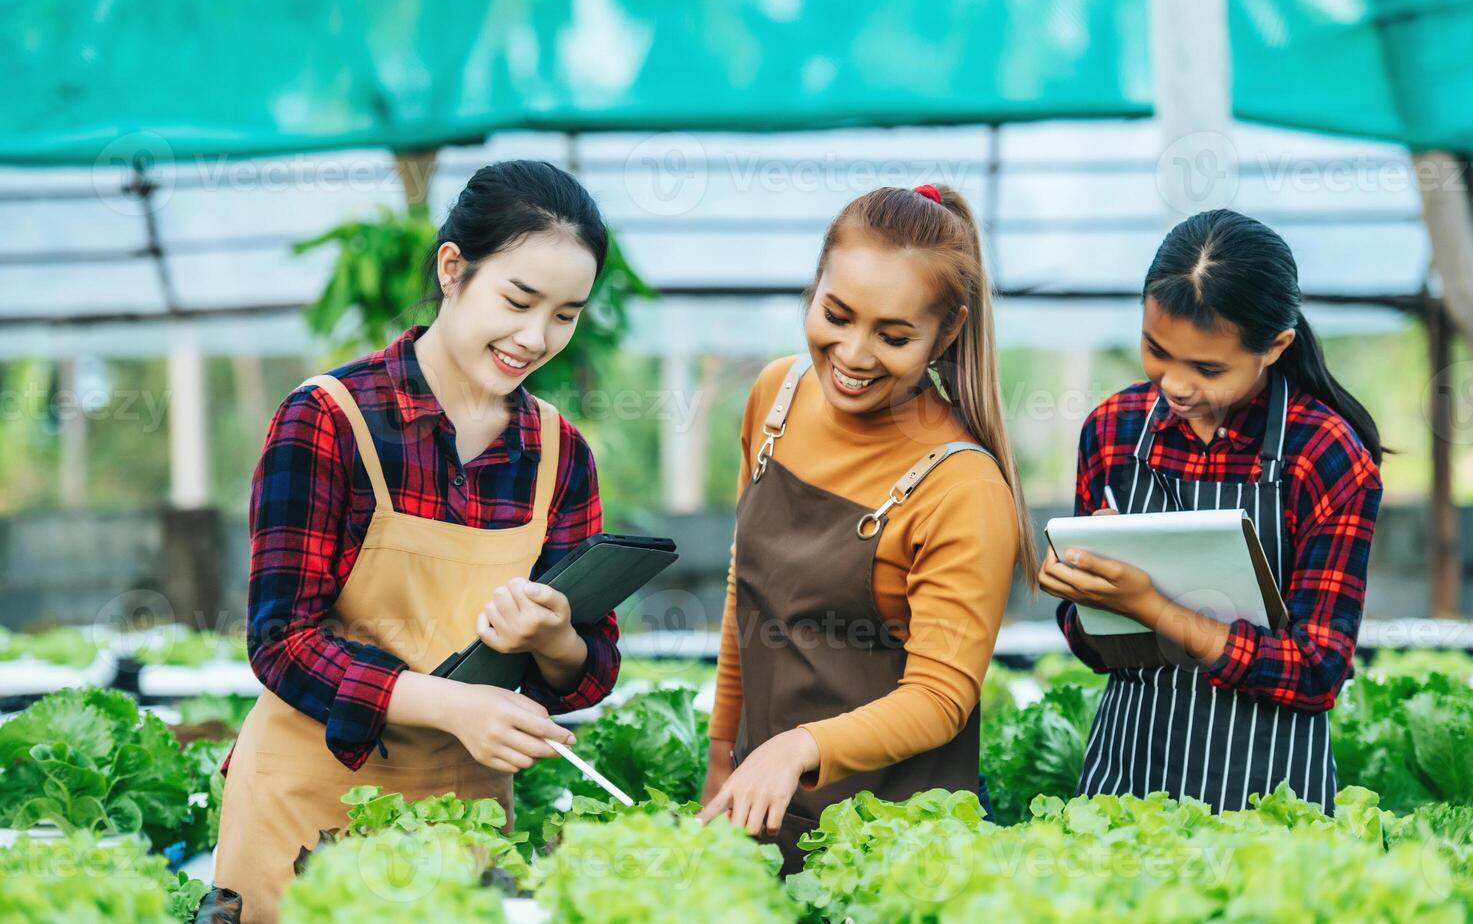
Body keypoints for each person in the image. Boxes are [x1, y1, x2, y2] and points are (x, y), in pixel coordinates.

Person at [215, 160, 621, 921]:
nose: (534, 337)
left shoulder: (562, 455)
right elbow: (280, 642)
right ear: (452, 268)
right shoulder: (327, 419)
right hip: (309, 811)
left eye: (565, 314)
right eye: (518, 299)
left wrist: (558, 639)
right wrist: (451, 703)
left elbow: (589, 672)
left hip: (462, 822)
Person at [698, 183, 1034, 873]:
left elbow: (939, 699)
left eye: (893, 335)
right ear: (813, 287)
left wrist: (796, 747)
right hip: (761, 815)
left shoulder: (961, 485)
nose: (852, 354)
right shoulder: (774, 398)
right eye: (835, 314)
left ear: (946, 332)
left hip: (891, 851)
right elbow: (746, 600)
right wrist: (720, 759)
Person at [1041, 208, 1383, 815]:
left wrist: (1151, 606)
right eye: (1156, 350)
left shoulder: (1325, 455)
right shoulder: (1113, 432)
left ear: (1275, 347)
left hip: (1270, 800)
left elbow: (1316, 669)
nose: (1174, 385)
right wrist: (1084, 598)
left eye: (1207, 368)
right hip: (1127, 779)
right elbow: (1096, 652)